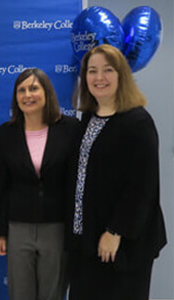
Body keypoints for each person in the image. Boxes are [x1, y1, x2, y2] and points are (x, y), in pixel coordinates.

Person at [67, 44, 167, 300]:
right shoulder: (87, 118)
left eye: (107, 70)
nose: (99, 78)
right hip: (86, 243)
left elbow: (142, 188)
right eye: (92, 71)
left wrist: (115, 232)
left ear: (121, 75)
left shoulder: (138, 123)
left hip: (121, 246)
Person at [0, 68, 78, 300]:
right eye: (21, 90)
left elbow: (75, 183)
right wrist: (1, 233)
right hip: (18, 227)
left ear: (46, 93)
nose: (27, 95)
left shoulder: (70, 129)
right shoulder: (5, 134)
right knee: (20, 294)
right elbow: (1, 186)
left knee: (52, 294)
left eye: (33, 88)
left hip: (56, 227)